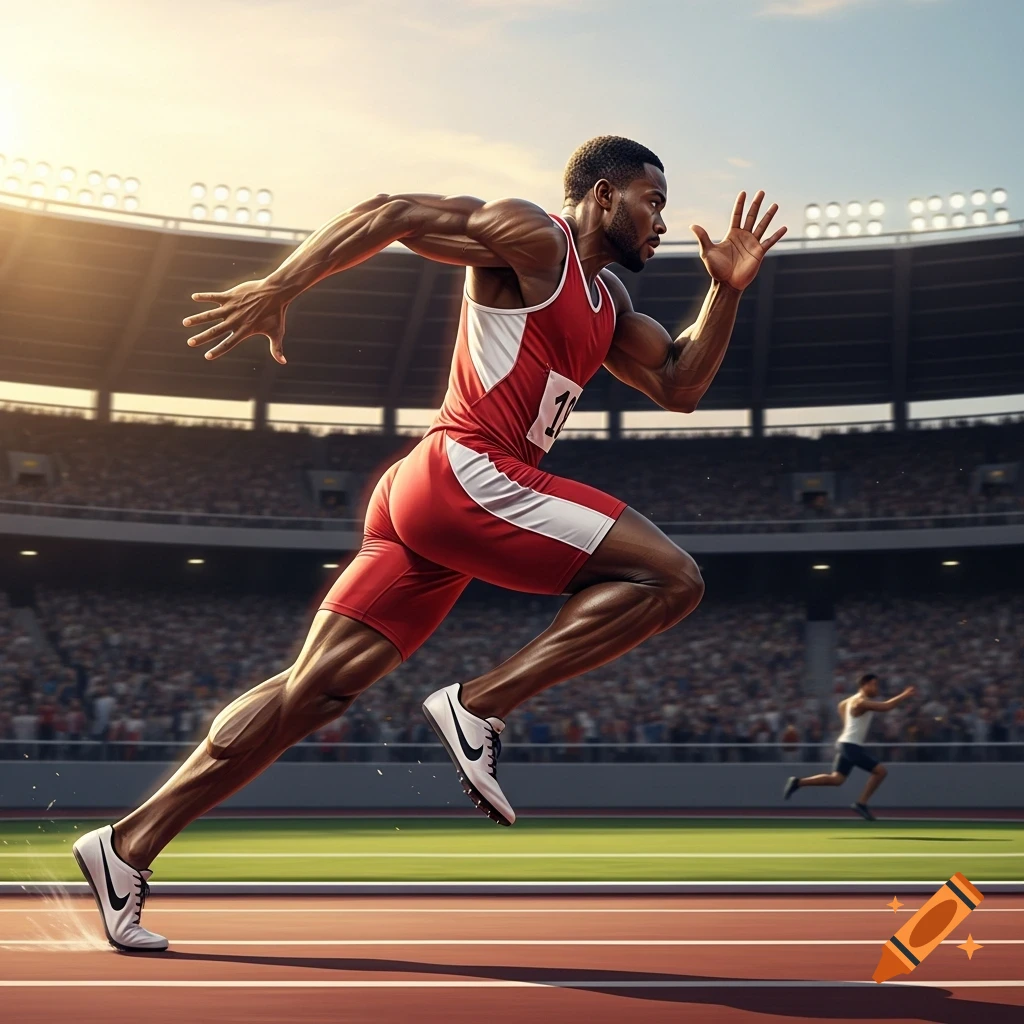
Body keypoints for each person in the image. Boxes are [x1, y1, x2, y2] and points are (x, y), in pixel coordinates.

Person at [73, 135, 785, 951]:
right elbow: (392, 213)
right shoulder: (533, 239)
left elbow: (681, 384)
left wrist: (725, 292)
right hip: (468, 470)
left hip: (438, 502)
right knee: (674, 580)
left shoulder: (611, 309)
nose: (663, 221)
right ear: (602, 198)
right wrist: (281, 283)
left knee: (312, 692)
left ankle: (127, 846)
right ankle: (479, 704)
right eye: (652, 202)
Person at [783, 673, 915, 821]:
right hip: (851, 745)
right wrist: (904, 695)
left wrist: (848, 728)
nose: (877, 688)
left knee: (837, 779)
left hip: (845, 743)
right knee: (880, 772)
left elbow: (841, 707)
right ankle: (861, 803)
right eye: (874, 684)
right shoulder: (860, 702)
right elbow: (886, 706)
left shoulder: (848, 701)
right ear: (865, 685)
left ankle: (798, 782)